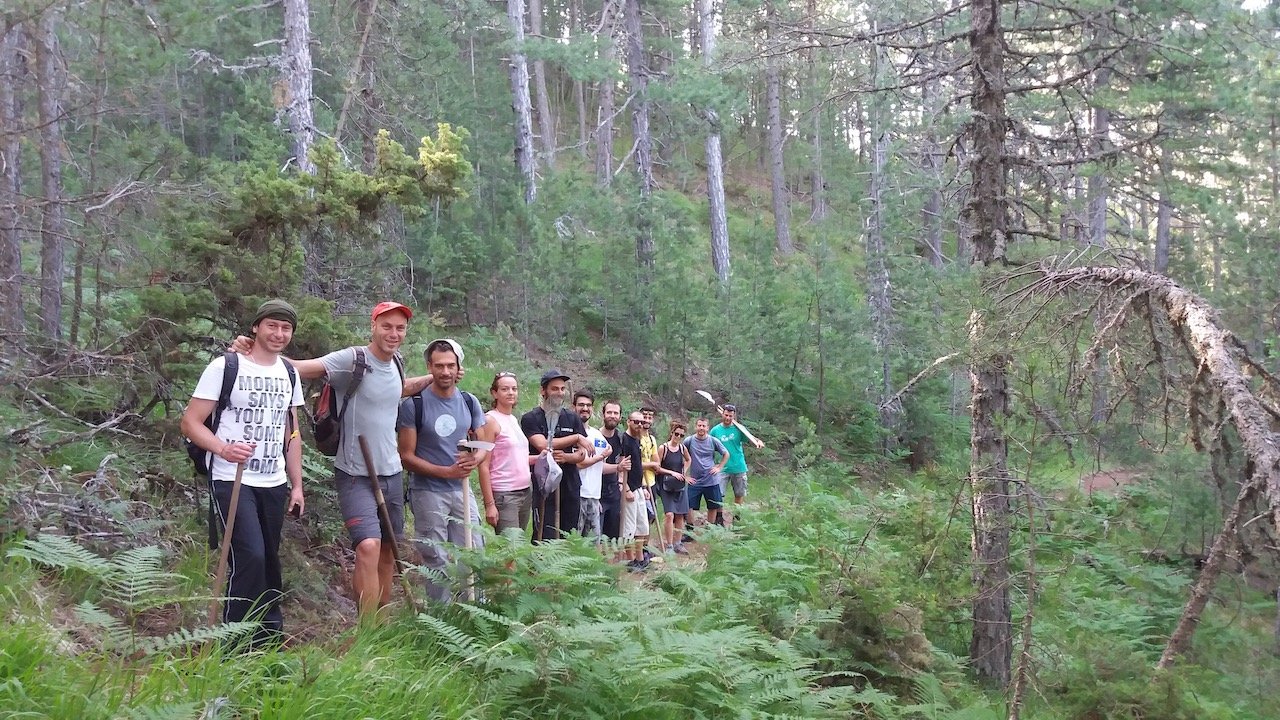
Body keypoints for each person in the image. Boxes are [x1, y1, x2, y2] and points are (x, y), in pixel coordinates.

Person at [233, 301, 434, 621]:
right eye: (387, 326)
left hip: (391, 471)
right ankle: (366, 629)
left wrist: (433, 376)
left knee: (387, 551)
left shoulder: (396, 362)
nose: (393, 334)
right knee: (368, 546)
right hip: (355, 472)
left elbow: (396, 391)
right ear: (373, 326)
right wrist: (254, 351)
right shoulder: (352, 359)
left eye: (400, 328)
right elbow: (299, 367)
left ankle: (381, 624)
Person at [181, 299, 304, 646]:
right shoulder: (225, 367)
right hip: (231, 478)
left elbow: (291, 434)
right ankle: (234, 641)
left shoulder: (289, 373)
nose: (279, 334)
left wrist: (297, 485)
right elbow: (190, 422)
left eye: (286, 328)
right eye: (272, 326)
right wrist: (222, 448)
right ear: (256, 327)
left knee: (269, 559)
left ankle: (267, 639)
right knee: (248, 556)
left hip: (273, 480)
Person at [397, 339, 494, 603]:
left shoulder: (468, 401)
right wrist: (445, 472)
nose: (445, 372)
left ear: (458, 367)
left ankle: (474, 611)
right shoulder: (413, 406)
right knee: (435, 556)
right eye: (439, 366)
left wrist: (476, 459)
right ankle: (441, 617)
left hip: (462, 491)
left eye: (451, 365)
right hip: (428, 491)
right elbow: (406, 456)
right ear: (430, 366)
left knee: (473, 549)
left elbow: (484, 443)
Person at [520, 370, 593, 541]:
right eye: (554, 389)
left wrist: (568, 458)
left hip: (570, 483)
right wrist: (575, 437)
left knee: (569, 533)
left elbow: (582, 453)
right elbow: (542, 444)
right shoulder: (531, 418)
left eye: (562, 389)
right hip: (544, 486)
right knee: (545, 533)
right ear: (543, 391)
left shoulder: (572, 418)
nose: (559, 393)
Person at [479, 372, 537, 534]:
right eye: (505, 389)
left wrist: (541, 458)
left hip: (525, 491)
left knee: (517, 547)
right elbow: (483, 464)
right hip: (505, 494)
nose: (511, 392)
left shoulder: (512, 419)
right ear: (494, 393)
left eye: (514, 389)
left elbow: (516, 458)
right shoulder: (490, 421)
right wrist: (490, 504)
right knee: (509, 551)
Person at [708, 403, 765, 526]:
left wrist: (757, 441)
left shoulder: (739, 429)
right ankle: (719, 519)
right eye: (726, 415)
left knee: (739, 494)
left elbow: (750, 438)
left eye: (731, 416)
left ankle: (736, 518)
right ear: (722, 414)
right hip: (722, 467)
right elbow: (709, 447)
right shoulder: (715, 430)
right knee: (719, 495)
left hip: (738, 466)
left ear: (734, 416)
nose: (728, 418)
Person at [574, 391, 610, 543]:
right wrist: (601, 456)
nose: (585, 408)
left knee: (594, 543)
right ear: (573, 407)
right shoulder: (571, 433)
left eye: (588, 405)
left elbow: (603, 459)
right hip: (578, 494)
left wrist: (618, 467)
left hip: (594, 496)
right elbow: (579, 464)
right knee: (575, 541)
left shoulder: (596, 434)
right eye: (581, 405)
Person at [683, 417, 731, 528]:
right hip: (694, 480)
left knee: (713, 506)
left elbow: (726, 454)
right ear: (696, 427)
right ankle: (689, 529)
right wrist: (685, 475)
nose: (701, 428)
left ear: (707, 428)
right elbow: (681, 457)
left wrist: (719, 467)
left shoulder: (713, 441)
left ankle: (710, 529)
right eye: (699, 425)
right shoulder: (689, 441)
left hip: (711, 480)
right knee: (688, 505)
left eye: (704, 426)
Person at [655, 421, 691, 554]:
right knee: (669, 515)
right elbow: (657, 467)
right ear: (671, 433)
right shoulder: (663, 448)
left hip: (680, 485)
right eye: (676, 434)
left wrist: (683, 471)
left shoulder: (682, 448)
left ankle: (678, 543)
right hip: (666, 485)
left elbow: (688, 459)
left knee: (680, 514)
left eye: (681, 435)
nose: (678, 437)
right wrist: (672, 473)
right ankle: (669, 545)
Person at [621, 410, 650, 570]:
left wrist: (644, 487)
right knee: (629, 528)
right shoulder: (624, 440)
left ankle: (640, 559)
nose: (639, 425)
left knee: (642, 527)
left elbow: (639, 466)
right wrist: (625, 489)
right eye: (636, 422)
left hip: (638, 488)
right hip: (629, 489)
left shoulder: (637, 440)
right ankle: (630, 560)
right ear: (628, 422)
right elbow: (621, 466)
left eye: (642, 422)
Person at [597, 400, 628, 543]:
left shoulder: (621, 438)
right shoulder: (595, 437)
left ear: (620, 417)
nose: (612, 416)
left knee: (613, 536)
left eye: (616, 413)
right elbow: (598, 467)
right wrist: (618, 468)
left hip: (614, 492)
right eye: (609, 412)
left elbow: (623, 461)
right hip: (597, 492)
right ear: (603, 414)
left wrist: (621, 482)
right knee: (597, 535)